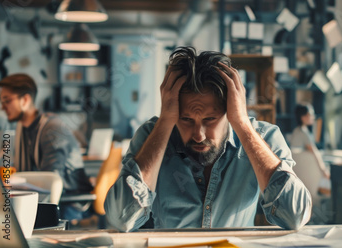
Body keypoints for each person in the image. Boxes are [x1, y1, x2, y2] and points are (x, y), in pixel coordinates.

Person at [105, 47, 312, 231]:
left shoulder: (265, 137)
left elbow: (294, 217)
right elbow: (122, 219)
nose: (198, 134)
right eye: (186, 119)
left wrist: (241, 124)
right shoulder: (152, 135)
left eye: (210, 119)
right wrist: (167, 120)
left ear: (231, 109)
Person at [0, 73, 93, 221]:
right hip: (41, 199)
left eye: (7, 101)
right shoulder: (21, 128)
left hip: (69, 203)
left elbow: (50, 179)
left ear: (25, 100)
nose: (2, 107)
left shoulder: (52, 129)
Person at [290, 103, 330, 193]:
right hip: (309, 177)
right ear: (303, 117)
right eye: (310, 114)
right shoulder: (304, 133)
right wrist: (324, 171)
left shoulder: (296, 131)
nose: (313, 116)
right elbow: (314, 152)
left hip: (298, 175)